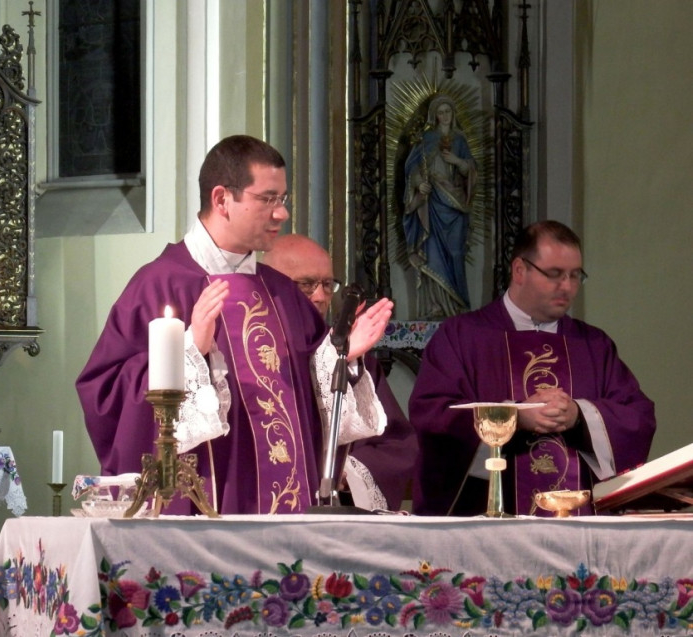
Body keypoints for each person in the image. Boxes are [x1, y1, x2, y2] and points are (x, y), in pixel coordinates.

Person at [76, 135, 394, 515]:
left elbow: (310, 402)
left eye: (283, 199)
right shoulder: (161, 284)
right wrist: (191, 351)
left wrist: (339, 356)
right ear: (221, 199)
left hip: (290, 512)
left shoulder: (281, 292)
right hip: (207, 507)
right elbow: (105, 395)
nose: (282, 214)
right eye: (268, 199)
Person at [409, 220, 655, 516]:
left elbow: (637, 417)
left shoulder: (592, 344)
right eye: (554, 274)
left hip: (577, 524)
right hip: (486, 522)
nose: (567, 287)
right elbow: (433, 415)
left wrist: (579, 415)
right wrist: (512, 417)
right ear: (519, 270)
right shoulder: (462, 336)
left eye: (575, 275)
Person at [262, 233, 417, 511]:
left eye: (327, 284)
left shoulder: (354, 358)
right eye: (306, 284)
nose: (320, 296)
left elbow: (397, 446)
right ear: (269, 287)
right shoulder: (255, 358)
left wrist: (348, 473)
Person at [402, 94, 476, 319]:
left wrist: (457, 161)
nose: (444, 116)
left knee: (455, 252)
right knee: (432, 250)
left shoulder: (460, 140)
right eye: (440, 112)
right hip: (433, 203)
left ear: (453, 114)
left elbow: (471, 171)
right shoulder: (426, 139)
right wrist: (419, 184)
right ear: (434, 116)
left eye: (448, 111)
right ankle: (434, 304)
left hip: (455, 205)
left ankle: (457, 304)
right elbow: (412, 168)